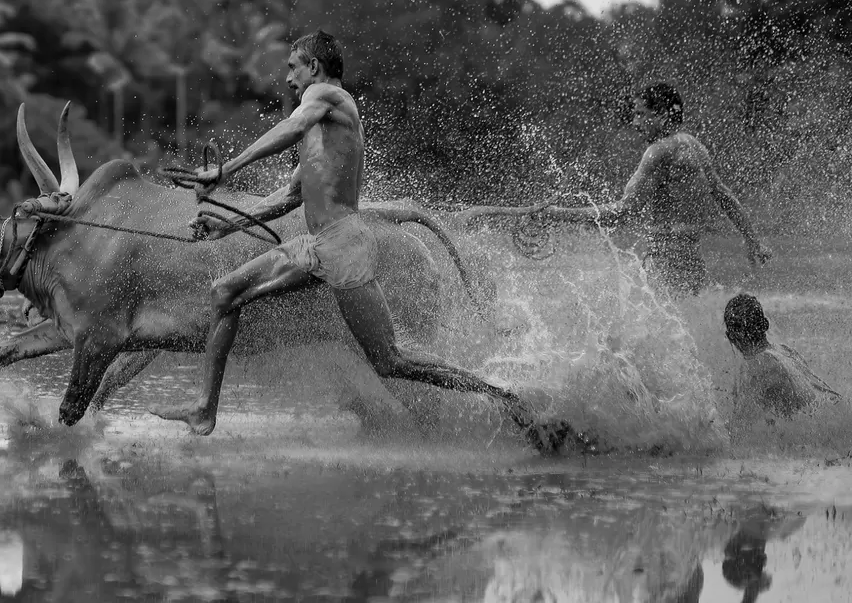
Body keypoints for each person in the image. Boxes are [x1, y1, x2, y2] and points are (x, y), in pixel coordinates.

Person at [150, 29, 574, 448]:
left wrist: (228, 170)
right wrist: (226, 226)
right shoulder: (322, 128)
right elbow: (292, 195)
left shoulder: (327, 98)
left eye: (293, 67)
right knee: (224, 292)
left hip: (346, 245)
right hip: (316, 245)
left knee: (391, 362)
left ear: (314, 66)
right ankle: (205, 408)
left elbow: (292, 125)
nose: (287, 78)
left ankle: (508, 399)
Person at [468, 83, 772, 295]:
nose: (636, 121)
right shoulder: (695, 147)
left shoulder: (658, 151)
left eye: (641, 114)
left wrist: (557, 214)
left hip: (666, 263)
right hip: (691, 261)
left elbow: (620, 214)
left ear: (663, 114)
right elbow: (726, 197)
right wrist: (753, 240)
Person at [723, 293, 843, 423]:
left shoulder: (754, 367)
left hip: (813, 428)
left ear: (731, 337)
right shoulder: (786, 351)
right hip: (832, 412)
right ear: (765, 324)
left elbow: (740, 429)